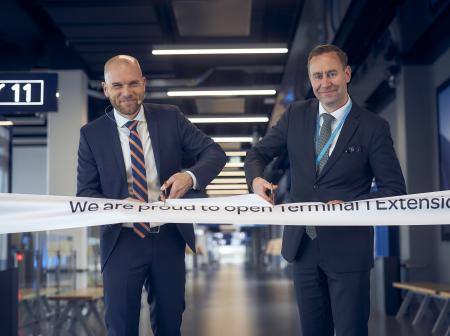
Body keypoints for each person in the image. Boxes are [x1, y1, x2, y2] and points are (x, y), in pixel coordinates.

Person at [244, 44, 406, 336]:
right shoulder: (296, 115)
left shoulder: (373, 127)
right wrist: (256, 180)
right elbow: (257, 154)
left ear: (347, 74)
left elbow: (394, 191)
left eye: (331, 74)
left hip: (348, 250)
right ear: (310, 80)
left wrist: (351, 206)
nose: (325, 83)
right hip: (303, 247)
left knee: (350, 331)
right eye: (317, 76)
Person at [77, 55, 226, 336]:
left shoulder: (170, 118)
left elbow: (214, 153)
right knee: (121, 326)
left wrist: (189, 176)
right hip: (121, 242)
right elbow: (85, 193)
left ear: (144, 84)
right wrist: (117, 206)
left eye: (133, 83)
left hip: (168, 238)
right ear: (105, 88)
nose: (126, 92)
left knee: (170, 324)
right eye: (117, 85)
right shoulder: (91, 135)